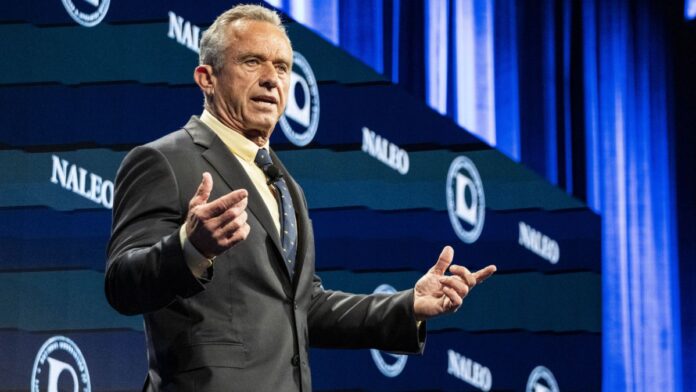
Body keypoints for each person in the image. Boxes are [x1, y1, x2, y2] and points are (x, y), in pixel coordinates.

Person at [105, 4, 496, 392]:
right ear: (207, 78)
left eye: (282, 67)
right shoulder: (165, 160)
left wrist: (408, 305)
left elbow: (304, 306)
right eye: (252, 62)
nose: (271, 79)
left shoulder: (286, 185)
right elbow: (122, 283)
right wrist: (189, 248)